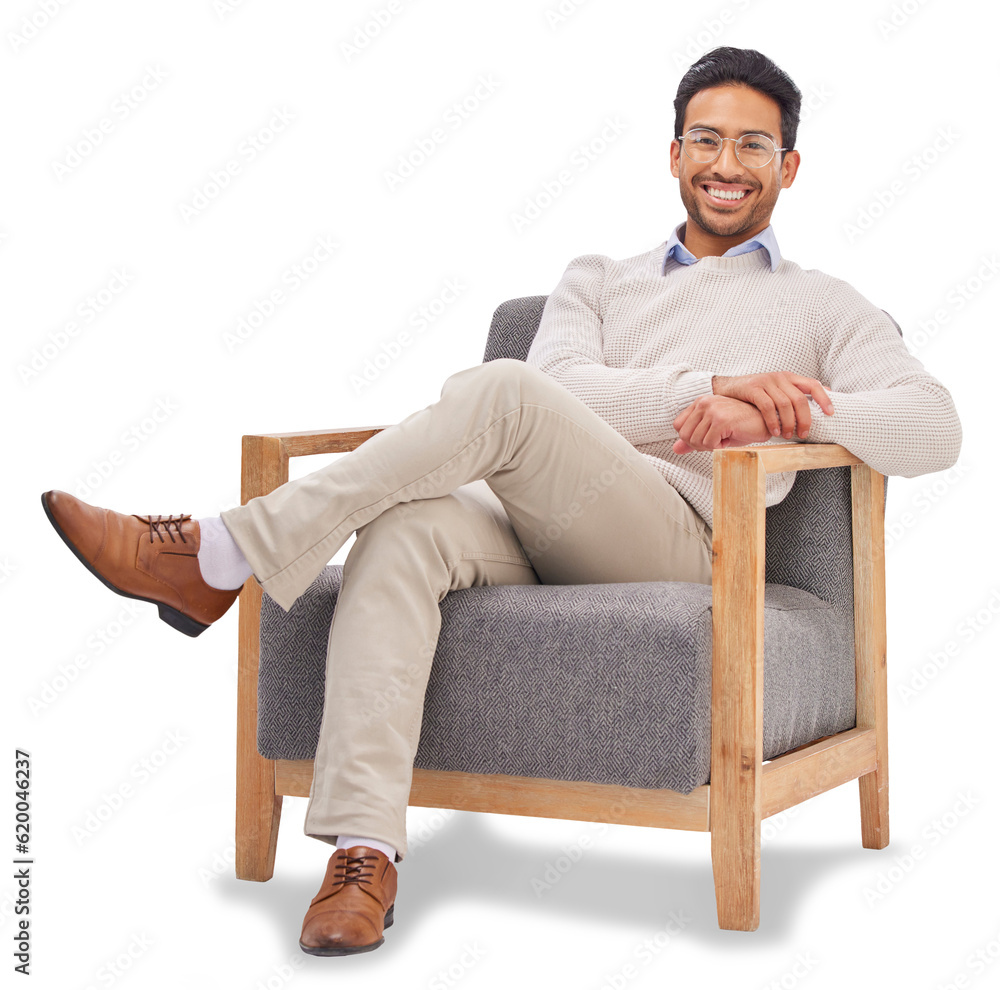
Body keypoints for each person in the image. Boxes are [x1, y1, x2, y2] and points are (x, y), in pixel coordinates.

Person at [41, 46, 962, 957]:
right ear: (673, 153)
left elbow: (935, 428)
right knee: (404, 526)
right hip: (533, 516)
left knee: (498, 392)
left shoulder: (823, 306)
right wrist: (710, 386)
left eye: (754, 146)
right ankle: (364, 854)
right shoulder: (596, 278)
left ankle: (220, 555)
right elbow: (561, 386)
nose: (727, 165)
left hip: (685, 536)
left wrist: (787, 400)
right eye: (706, 140)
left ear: (789, 166)